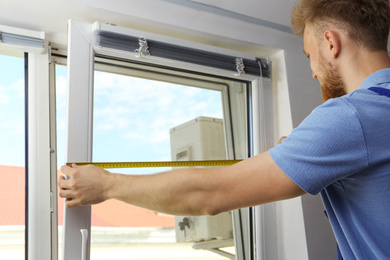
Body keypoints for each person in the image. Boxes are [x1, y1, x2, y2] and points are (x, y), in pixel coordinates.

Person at [59, 0, 390, 258]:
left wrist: (105, 185)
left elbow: (210, 195)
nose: (314, 73)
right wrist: (305, 154)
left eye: (308, 56)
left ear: (330, 43)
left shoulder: (350, 117)